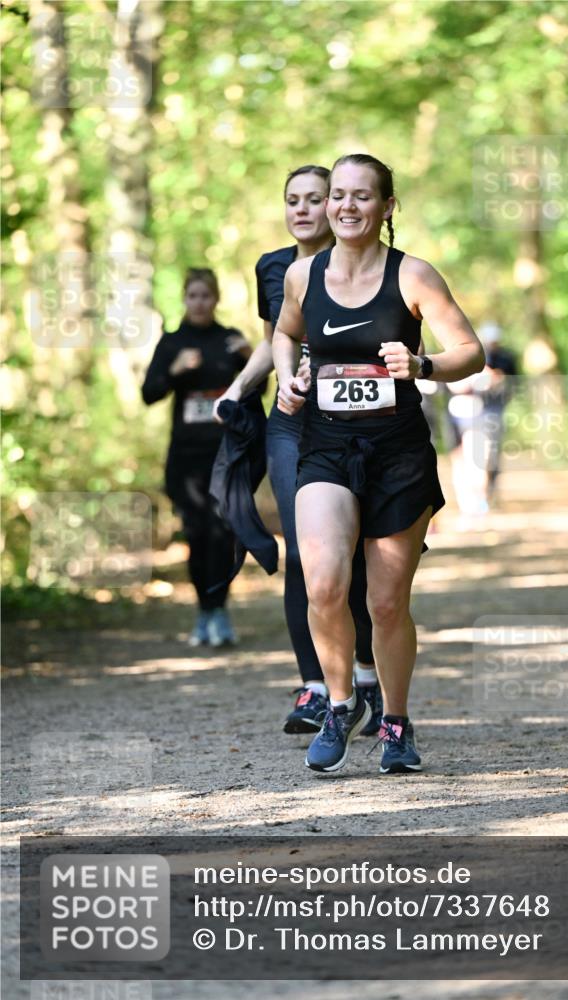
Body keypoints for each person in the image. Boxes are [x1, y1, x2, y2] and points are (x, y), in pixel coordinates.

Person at [273, 153, 484, 774]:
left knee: (388, 603)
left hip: (397, 452)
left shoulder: (413, 275)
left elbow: (469, 352)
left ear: (387, 206)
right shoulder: (303, 276)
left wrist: (423, 366)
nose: (345, 207)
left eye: (363, 196)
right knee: (324, 583)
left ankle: (395, 720)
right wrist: (290, 379)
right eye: (338, 194)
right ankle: (339, 704)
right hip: (326, 445)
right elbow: (284, 333)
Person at [217, 166, 380, 735]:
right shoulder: (272, 267)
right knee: (307, 550)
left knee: (356, 553)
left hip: (353, 421)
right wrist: (238, 389)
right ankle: (315, 687)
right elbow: (273, 341)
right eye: (293, 201)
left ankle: (367, 676)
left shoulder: (367, 260)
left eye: (316, 199)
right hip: (289, 422)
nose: (304, 210)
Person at [142, 267, 251, 647]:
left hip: (226, 455)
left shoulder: (229, 340)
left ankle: (219, 610)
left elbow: (261, 388)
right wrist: (175, 370)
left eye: (206, 296)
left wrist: (249, 356)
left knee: (224, 531)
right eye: (193, 296)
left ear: (216, 298)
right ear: (185, 299)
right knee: (198, 533)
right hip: (185, 460)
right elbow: (149, 392)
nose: (200, 303)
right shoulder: (173, 343)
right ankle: (204, 612)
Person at [446, 321, 518, 521]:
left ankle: (481, 499)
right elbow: (451, 386)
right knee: (461, 459)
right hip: (457, 415)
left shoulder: (504, 359)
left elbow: (510, 384)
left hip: (484, 414)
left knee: (480, 457)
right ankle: (467, 504)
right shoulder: (454, 357)